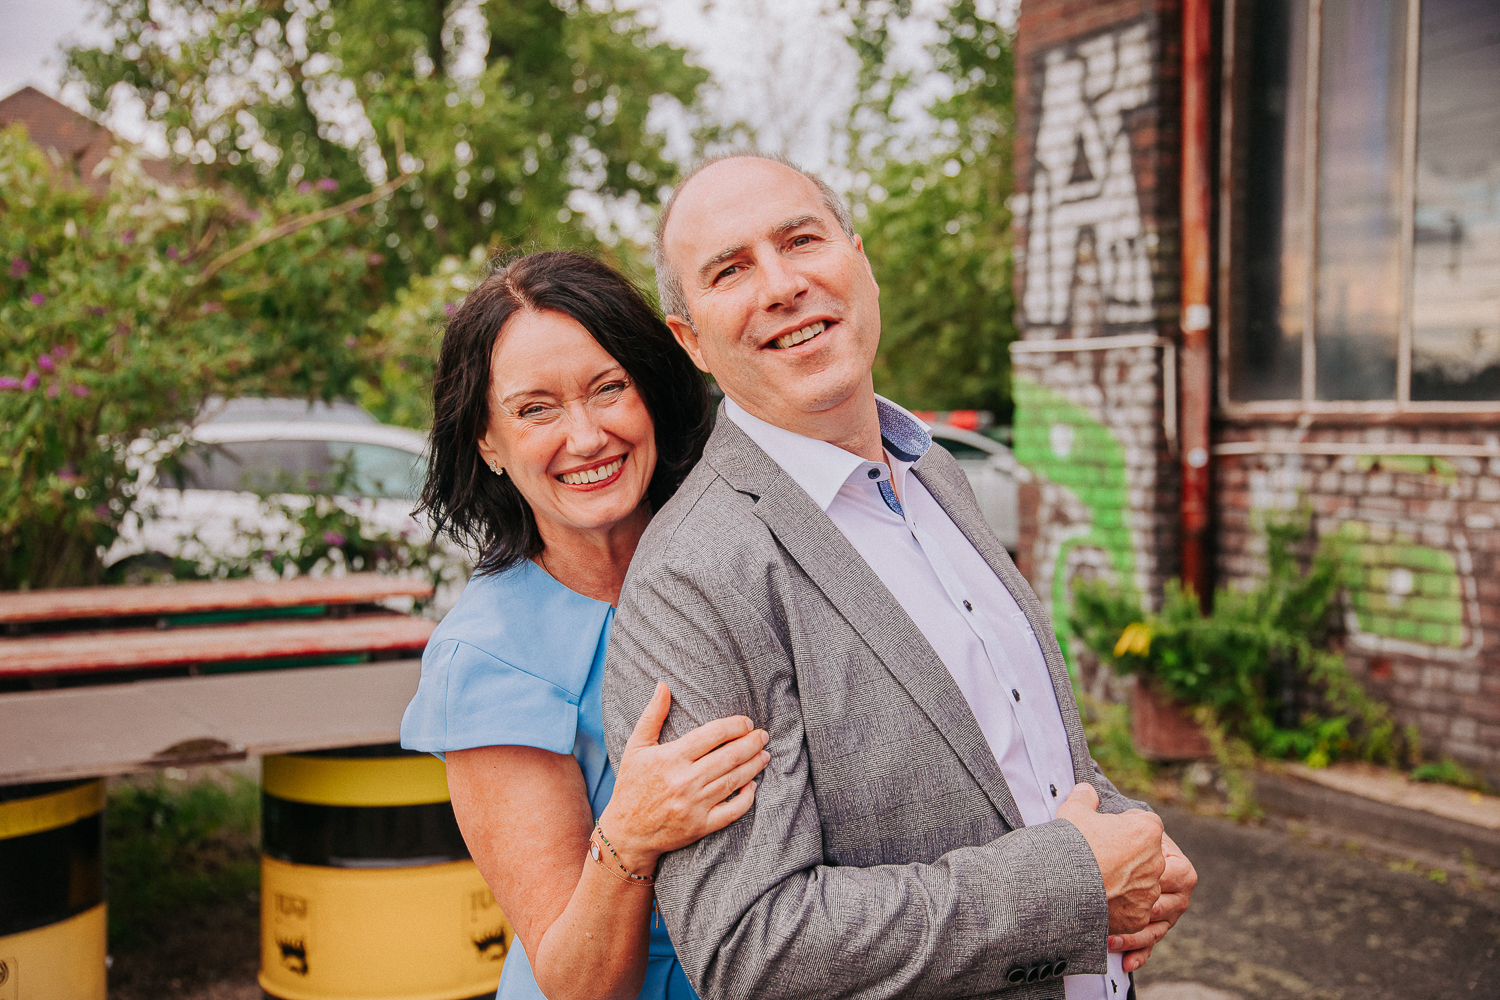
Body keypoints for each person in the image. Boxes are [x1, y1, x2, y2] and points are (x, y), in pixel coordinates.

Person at [603, 155, 1198, 1000]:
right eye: (730, 270)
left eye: (801, 240)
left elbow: (1009, 744)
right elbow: (755, 949)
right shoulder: (692, 578)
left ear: (860, 261)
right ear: (690, 338)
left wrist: (1131, 834)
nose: (781, 285)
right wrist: (1074, 884)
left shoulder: (933, 473)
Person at [400, 251, 771, 1000]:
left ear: (653, 393)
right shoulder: (486, 658)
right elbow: (579, 984)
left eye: (609, 389)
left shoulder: (747, 551)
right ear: (487, 441)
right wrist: (629, 833)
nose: (587, 435)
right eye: (535, 409)